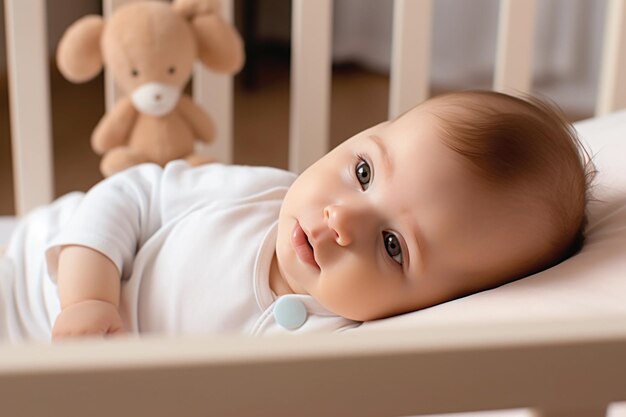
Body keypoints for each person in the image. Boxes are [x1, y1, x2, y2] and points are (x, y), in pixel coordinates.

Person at [0, 90, 592, 343]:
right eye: (363, 172)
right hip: (29, 274)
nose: (340, 219)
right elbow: (129, 194)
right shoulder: (256, 197)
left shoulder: (337, 348)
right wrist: (87, 300)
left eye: (392, 246)